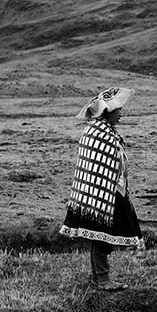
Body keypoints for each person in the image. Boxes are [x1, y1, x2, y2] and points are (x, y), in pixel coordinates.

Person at [60, 87, 144, 290]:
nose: (121, 114)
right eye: (119, 110)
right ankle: (102, 279)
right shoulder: (99, 133)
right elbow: (96, 167)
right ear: (109, 111)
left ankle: (98, 276)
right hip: (101, 193)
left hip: (104, 190)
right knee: (101, 234)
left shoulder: (101, 130)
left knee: (100, 235)